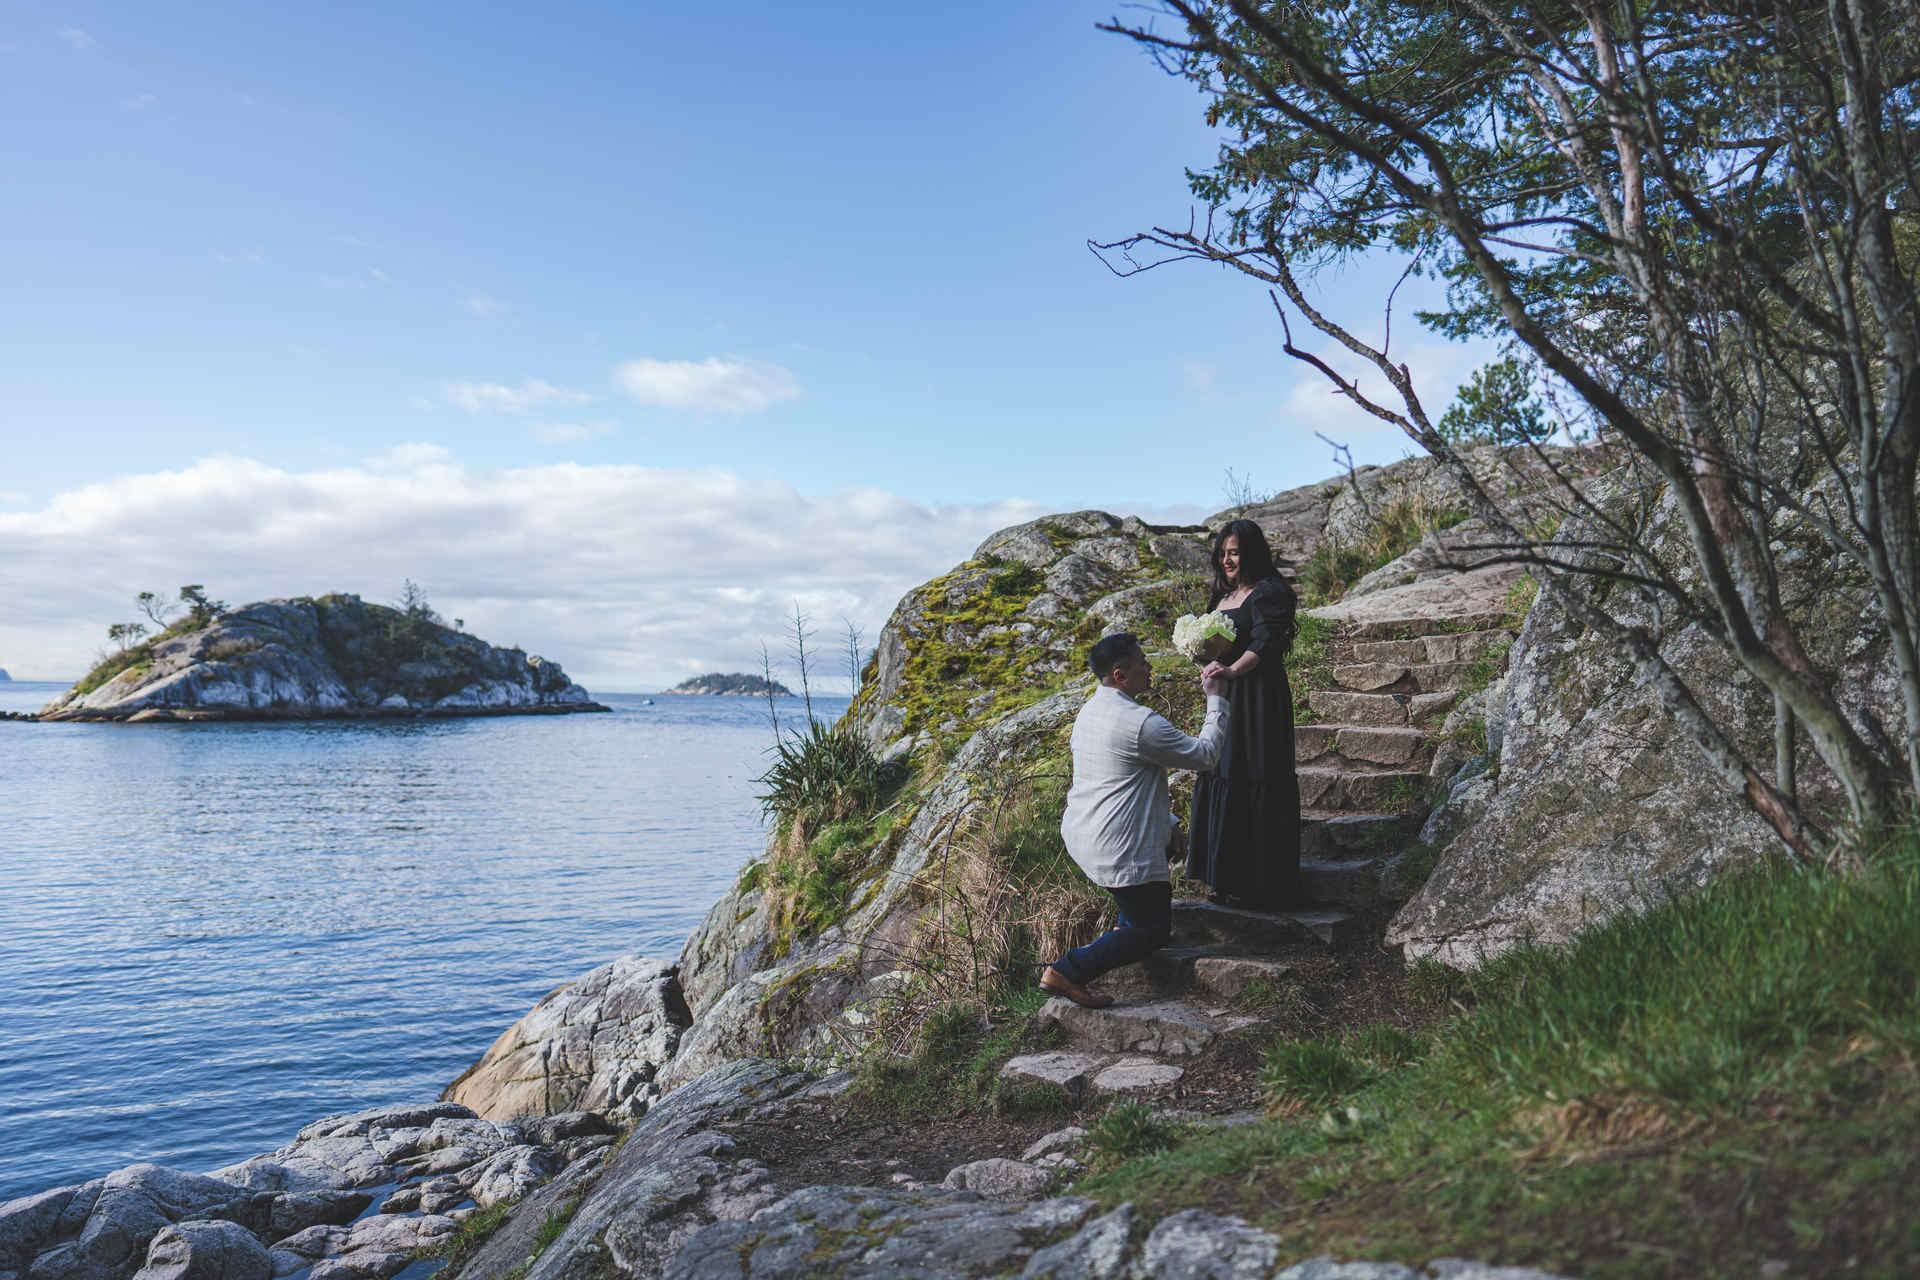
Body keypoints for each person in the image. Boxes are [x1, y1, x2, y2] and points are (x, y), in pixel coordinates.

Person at [1040, 632, 1230, 1008]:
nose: (1149, 667)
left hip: (1086, 830)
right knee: (1153, 930)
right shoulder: (1141, 723)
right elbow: (1205, 754)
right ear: (1120, 675)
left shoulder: (1091, 710)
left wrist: (1168, 821)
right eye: (1142, 662)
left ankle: (1122, 927)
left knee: (1136, 909)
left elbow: (1124, 779)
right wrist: (1216, 699)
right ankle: (1067, 970)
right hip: (1118, 843)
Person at [1190, 518, 1303, 909]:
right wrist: (1203, 659)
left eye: (1234, 552)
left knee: (1256, 771)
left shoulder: (1269, 592)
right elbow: (1215, 643)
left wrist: (1233, 670)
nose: (1227, 560)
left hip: (1258, 698)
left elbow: (1267, 641)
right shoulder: (1221, 596)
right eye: (1222, 553)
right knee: (1222, 770)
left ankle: (1262, 881)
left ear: (1251, 552)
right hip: (1225, 695)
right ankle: (1223, 875)